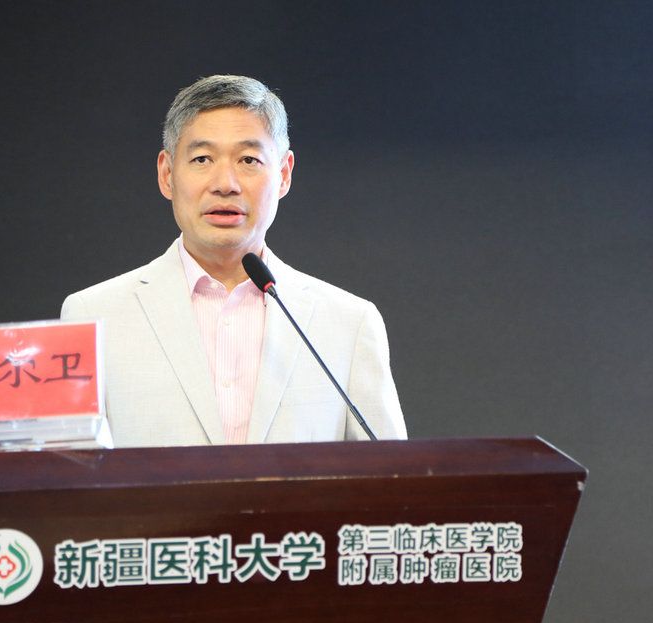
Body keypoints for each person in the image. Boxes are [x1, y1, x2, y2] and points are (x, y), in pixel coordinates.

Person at [61, 75, 406, 447]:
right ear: (167, 174)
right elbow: (67, 472)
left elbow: (390, 475)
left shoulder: (348, 323)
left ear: (284, 174)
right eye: (202, 159)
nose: (225, 183)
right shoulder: (92, 317)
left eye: (248, 160)